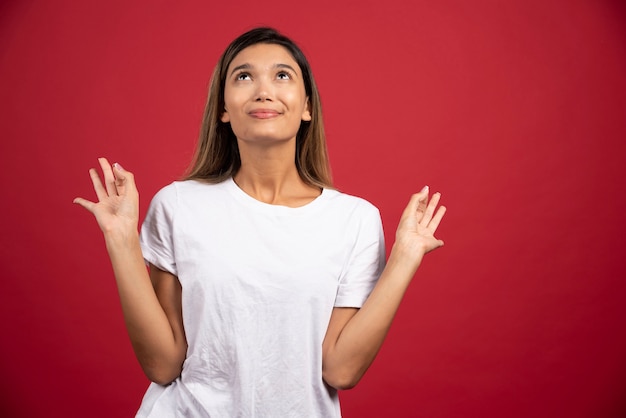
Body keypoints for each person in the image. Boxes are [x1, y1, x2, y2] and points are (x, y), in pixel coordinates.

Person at [74, 27, 446, 417]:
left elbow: (341, 369)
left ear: (307, 108)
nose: (263, 90)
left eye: (282, 75)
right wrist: (122, 241)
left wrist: (405, 256)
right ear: (223, 108)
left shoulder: (354, 220)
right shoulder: (178, 205)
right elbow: (163, 364)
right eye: (244, 76)